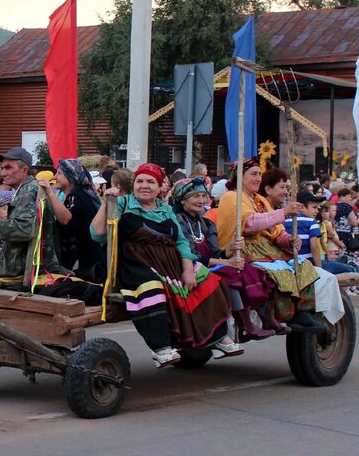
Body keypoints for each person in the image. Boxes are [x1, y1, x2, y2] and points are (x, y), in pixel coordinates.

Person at [91, 164, 241, 368]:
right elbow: (97, 233)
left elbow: (181, 243)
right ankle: (161, 348)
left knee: (210, 281)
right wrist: (106, 203)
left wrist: (188, 270)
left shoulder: (166, 209)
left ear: (160, 187)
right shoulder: (122, 203)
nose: (144, 186)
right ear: (133, 184)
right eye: (140, 181)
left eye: (150, 182)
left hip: (170, 263)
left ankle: (215, 339)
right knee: (153, 289)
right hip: (136, 263)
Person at [216, 160, 325, 334]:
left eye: (260, 174)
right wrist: (283, 212)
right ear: (239, 177)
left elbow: (277, 232)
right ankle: (283, 315)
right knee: (277, 273)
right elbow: (249, 224)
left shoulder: (260, 200)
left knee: (303, 265)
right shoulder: (231, 197)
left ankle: (303, 313)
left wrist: (289, 239)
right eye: (253, 174)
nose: (258, 178)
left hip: (268, 250)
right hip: (244, 248)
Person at [171, 177, 273, 342]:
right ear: (182, 200)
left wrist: (230, 250)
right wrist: (226, 262)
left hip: (210, 264)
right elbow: (191, 255)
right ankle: (245, 325)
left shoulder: (206, 224)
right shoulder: (177, 222)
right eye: (196, 196)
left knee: (248, 268)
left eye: (204, 196)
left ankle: (266, 318)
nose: (202, 200)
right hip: (189, 267)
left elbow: (216, 253)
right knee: (231, 271)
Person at [0, 146, 64, 296]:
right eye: (2, 168)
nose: (3, 173)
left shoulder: (28, 192)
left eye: (8, 168)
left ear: (24, 170)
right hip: (19, 259)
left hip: (22, 264)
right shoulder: (25, 189)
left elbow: (25, 230)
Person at [46, 158, 104, 282]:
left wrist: (49, 193)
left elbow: (67, 221)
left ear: (71, 176)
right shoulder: (80, 195)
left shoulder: (76, 196)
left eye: (59, 173)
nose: (55, 177)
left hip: (82, 262)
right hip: (87, 258)